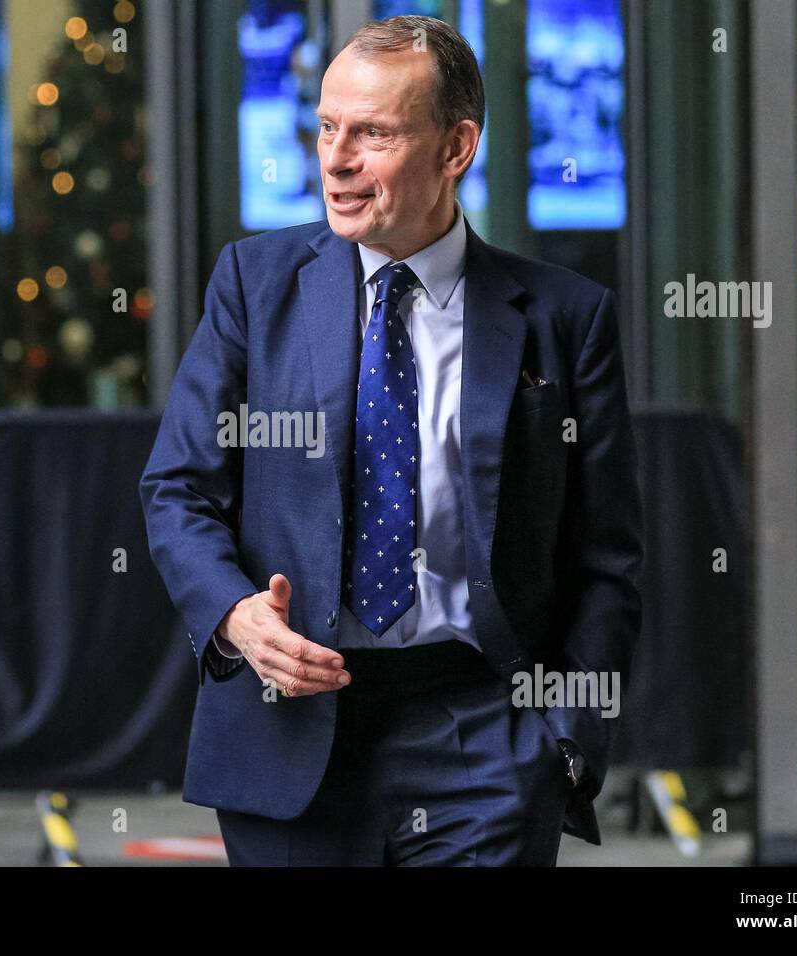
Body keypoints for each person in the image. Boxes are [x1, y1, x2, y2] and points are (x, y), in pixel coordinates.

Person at [139, 14, 643, 866]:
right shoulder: (254, 287)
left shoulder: (565, 318)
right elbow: (177, 489)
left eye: (372, 133)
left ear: (456, 149)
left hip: (483, 737)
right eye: (328, 126)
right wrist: (233, 616)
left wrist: (562, 739)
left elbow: (605, 558)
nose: (334, 159)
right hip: (287, 731)